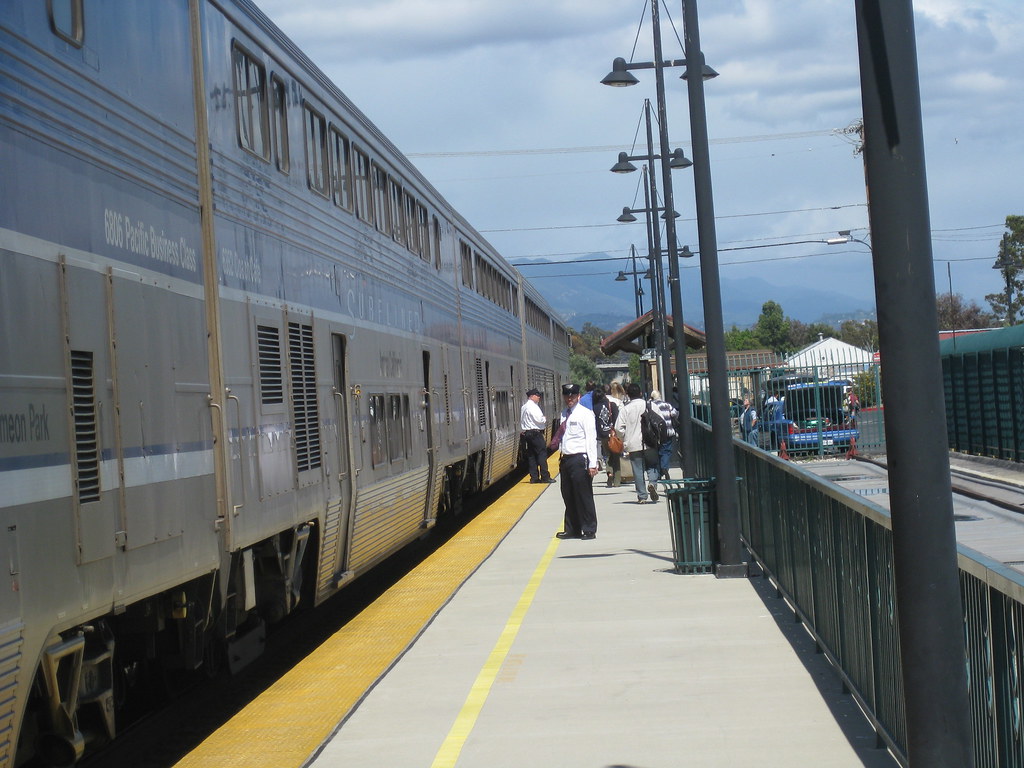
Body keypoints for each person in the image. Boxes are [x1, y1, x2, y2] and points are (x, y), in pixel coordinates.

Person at [555, 383, 599, 540]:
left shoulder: (585, 414)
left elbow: (591, 439)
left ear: (578, 396)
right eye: (567, 396)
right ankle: (572, 528)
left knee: (583, 495)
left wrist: (593, 464)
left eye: (572, 396)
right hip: (566, 458)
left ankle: (589, 528)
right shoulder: (564, 414)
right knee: (568, 495)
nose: (569, 399)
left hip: (579, 458)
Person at [614, 382, 661, 503]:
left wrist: (624, 438)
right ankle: (652, 484)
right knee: (652, 465)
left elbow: (618, 428)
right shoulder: (650, 405)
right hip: (650, 442)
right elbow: (660, 421)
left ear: (628, 395)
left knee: (637, 470)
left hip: (633, 444)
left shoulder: (625, 409)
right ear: (641, 393)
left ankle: (642, 496)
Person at [520, 388, 554, 483]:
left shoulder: (524, 407)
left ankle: (534, 477)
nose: (539, 397)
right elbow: (538, 419)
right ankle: (545, 476)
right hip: (535, 433)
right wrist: (544, 418)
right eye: (537, 395)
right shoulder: (533, 407)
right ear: (532, 396)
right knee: (541, 453)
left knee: (531, 455)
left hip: (527, 433)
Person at [649, 389, 679, 480]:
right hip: (668, 432)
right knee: (667, 451)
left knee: (657, 452)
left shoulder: (650, 405)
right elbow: (675, 413)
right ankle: (664, 468)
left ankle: (659, 472)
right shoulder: (667, 405)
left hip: (655, 433)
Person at [604, 382, 626, 487]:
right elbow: (622, 418)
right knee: (616, 455)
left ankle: (609, 472)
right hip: (615, 432)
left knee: (608, 454)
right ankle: (617, 481)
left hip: (604, 433)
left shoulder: (602, 401)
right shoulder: (618, 402)